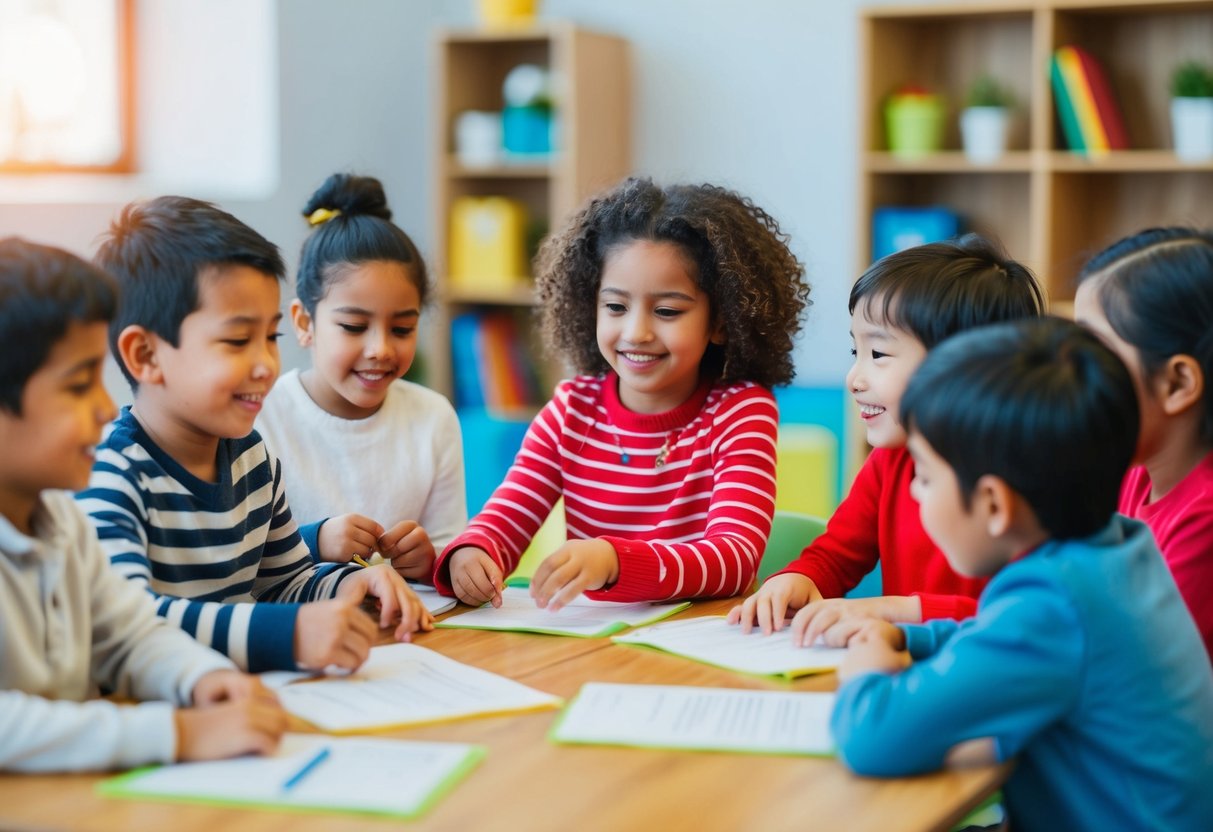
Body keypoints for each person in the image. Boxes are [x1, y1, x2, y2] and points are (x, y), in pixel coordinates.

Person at [830, 317, 1213, 832]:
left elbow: (874, 739)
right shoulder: (1116, 546)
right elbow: (998, 639)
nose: (916, 493)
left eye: (923, 475)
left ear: (993, 503)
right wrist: (906, 635)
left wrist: (867, 671)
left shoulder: (1051, 602)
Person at [77, 196, 431, 675]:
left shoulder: (250, 458)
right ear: (145, 356)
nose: (266, 364)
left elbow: (282, 583)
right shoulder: (108, 473)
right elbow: (126, 621)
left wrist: (348, 585)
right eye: (238, 341)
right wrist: (288, 634)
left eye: (271, 337)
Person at [432, 177, 810, 611]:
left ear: (722, 322)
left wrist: (614, 561)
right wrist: (474, 553)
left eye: (667, 311)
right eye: (615, 307)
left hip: (699, 645)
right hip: (598, 647)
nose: (636, 332)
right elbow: (506, 518)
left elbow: (734, 559)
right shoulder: (571, 411)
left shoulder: (740, 411)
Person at [0, 238, 287, 772]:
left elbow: (130, 635)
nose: (107, 405)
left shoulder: (61, 521)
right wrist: (174, 732)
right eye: (79, 385)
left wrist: (202, 678)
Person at [728, 234, 1043, 640]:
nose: (854, 379)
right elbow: (836, 555)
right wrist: (797, 580)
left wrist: (895, 610)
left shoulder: (1020, 481)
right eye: (853, 353)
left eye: (877, 355)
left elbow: (1021, 618)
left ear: (963, 366)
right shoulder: (891, 461)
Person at [255, 173, 465, 580]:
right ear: (304, 322)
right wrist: (315, 542)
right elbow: (239, 558)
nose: (381, 349)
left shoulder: (433, 417)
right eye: (353, 327)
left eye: (402, 329)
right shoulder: (261, 419)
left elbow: (450, 546)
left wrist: (432, 561)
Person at [1074, 227, 1213, 662]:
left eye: (1093, 357)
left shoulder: (1204, 520)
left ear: (1177, 383)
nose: (1069, 376)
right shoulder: (1132, 474)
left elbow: (1123, 662)